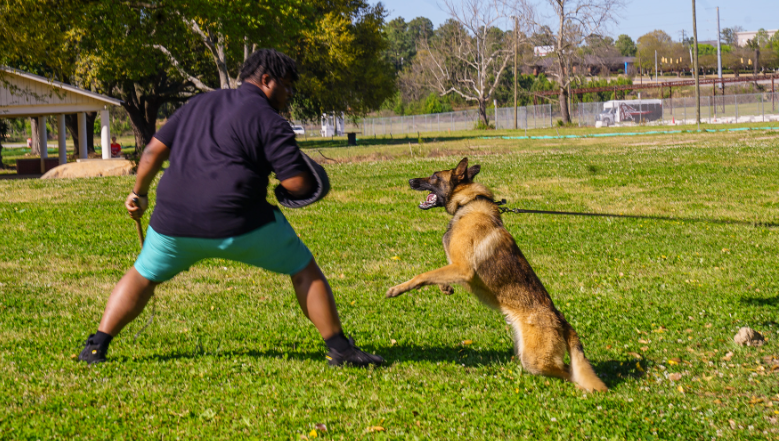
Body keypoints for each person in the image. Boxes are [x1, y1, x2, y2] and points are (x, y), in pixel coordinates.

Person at [78, 49, 384, 367]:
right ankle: (340, 350)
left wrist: (138, 194)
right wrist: (289, 190)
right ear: (267, 80)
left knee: (143, 275)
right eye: (288, 85)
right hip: (241, 223)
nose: (290, 93)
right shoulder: (271, 122)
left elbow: (152, 152)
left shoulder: (197, 104)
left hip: (173, 222)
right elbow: (296, 184)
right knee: (304, 270)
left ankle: (97, 346)